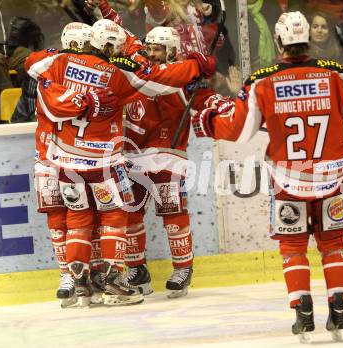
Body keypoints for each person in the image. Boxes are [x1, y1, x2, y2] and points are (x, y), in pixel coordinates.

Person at [191, 11, 343, 342]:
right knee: (332, 242)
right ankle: (339, 306)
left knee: (292, 244)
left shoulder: (262, 81)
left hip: (289, 180)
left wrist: (209, 119)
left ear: (279, 42)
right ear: (305, 41)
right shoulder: (334, 75)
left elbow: (239, 131)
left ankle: (303, 310)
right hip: (330, 177)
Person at [30, 18, 215, 307]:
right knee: (118, 217)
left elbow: (31, 63)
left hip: (70, 160)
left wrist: (77, 91)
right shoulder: (121, 74)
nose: (151, 52)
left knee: (80, 220)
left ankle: (80, 277)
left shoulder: (59, 63)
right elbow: (155, 77)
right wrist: (195, 65)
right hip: (106, 161)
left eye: (159, 48)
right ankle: (117, 278)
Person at [120, 26, 216, 299]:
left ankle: (183, 268)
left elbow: (184, 81)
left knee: (173, 217)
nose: (151, 53)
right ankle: (137, 269)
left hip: (167, 158)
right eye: (148, 48)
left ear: (171, 50)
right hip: (133, 157)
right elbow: (128, 40)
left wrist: (200, 69)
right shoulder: (146, 70)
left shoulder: (180, 75)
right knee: (130, 216)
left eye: (157, 49)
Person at [25, 21, 92, 308]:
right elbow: (31, 61)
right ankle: (67, 274)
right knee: (58, 216)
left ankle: (88, 272)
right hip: (50, 156)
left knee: (88, 217)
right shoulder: (49, 69)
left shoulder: (90, 74)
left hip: (80, 156)